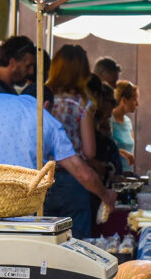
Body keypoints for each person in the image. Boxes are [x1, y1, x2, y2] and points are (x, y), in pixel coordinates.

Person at [0, 92, 115, 210]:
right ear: (47, 105)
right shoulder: (47, 120)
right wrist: (105, 195)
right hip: (18, 203)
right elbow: (81, 172)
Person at [44, 44, 108, 238]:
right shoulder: (83, 103)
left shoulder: (42, 98)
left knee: (45, 241)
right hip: (74, 179)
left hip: (42, 179)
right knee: (75, 243)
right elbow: (89, 152)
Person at [111, 80, 137, 170]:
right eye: (134, 99)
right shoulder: (109, 120)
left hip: (128, 173)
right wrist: (124, 153)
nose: (137, 103)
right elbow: (106, 148)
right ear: (124, 100)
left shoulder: (128, 122)